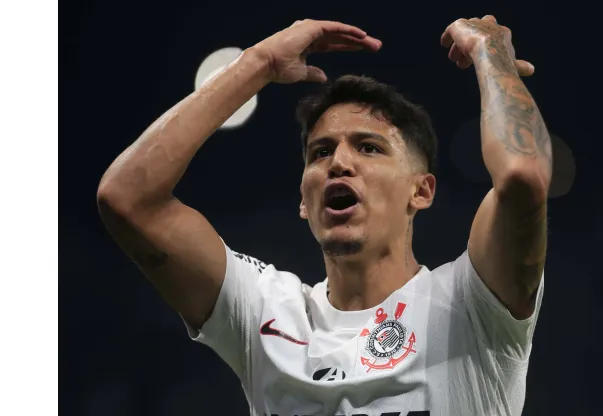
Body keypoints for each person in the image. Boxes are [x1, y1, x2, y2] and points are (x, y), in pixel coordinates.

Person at [97, 15, 552, 416]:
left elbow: (523, 177)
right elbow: (128, 198)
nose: (339, 162)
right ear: (303, 200)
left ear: (422, 190)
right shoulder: (267, 314)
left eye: (369, 147)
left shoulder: (471, 305)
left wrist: (492, 55)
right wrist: (259, 63)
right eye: (321, 152)